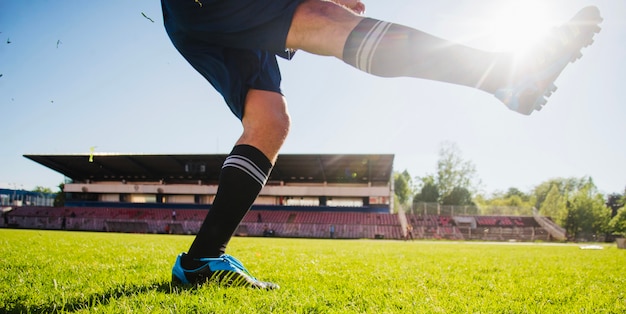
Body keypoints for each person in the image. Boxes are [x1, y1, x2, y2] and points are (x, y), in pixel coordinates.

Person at [164, 0, 602, 290]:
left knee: (269, 121)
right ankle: (503, 75)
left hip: (200, 20)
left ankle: (202, 260)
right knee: (327, 22)